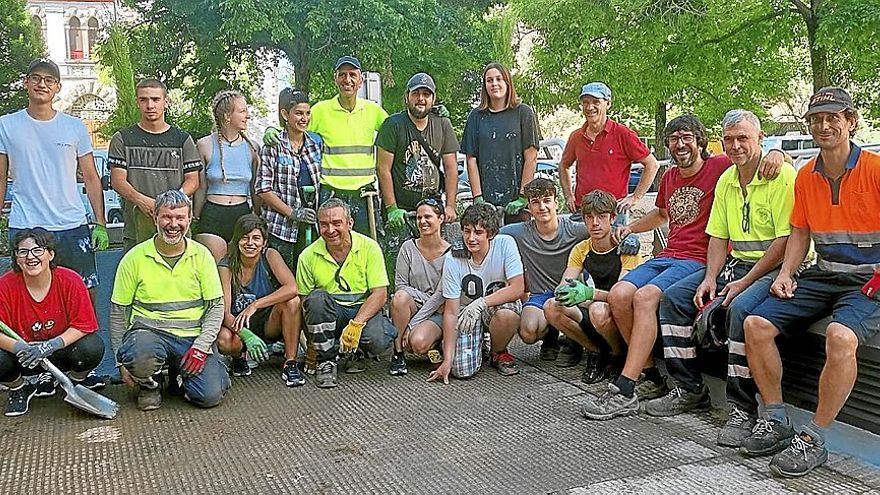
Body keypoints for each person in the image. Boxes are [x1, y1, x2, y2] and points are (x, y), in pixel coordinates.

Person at [582, 115, 784, 420]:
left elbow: (750, 157)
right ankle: (650, 377)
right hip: (670, 254)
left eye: (686, 137)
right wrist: (631, 228)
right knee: (620, 294)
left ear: (701, 141)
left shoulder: (719, 168)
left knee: (646, 297)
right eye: (674, 139)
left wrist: (777, 153)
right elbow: (662, 214)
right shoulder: (670, 177)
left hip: (699, 258)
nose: (680, 144)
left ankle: (625, 387)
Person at [741, 87, 880, 477]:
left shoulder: (875, 169)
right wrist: (785, 273)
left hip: (871, 280)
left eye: (834, 117)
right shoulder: (806, 176)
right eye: (817, 119)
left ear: (851, 123)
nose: (824, 125)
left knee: (841, 337)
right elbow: (800, 233)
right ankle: (776, 419)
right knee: (756, 324)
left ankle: (815, 437)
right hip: (825, 273)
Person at [644, 111, 797, 447]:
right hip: (737, 264)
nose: (736, 145)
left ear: (760, 139)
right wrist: (710, 277)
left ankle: (743, 409)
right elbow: (717, 236)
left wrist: (742, 282)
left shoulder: (781, 175)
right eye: (729, 139)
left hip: (777, 266)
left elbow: (785, 240)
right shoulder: (727, 179)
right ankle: (688, 388)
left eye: (743, 138)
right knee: (675, 298)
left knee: (740, 309)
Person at [110, 190, 229, 411]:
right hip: (149, 336)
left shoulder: (202, 256)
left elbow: (215, 307)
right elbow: (119, 312)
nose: (173, 224)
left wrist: (202, 348)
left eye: (180, 218)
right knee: (139, 352)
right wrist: (120, 361)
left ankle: (179, 376)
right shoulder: (134, 259)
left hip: (191, 339)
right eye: (166, 217)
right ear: (155, 218)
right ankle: (149, 386)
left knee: (210, 396)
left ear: (189, 219)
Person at [0, 58, 108, 298]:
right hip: (25, 226)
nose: (42, 84)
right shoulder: (6, 125)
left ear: (57, 87)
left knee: (83, 294)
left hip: (71, 225)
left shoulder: (75, 126)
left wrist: (100, 223)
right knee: (25, 297)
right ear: (26, 83)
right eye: (36, 78)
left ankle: (85, 337)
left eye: (49, 80)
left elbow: (91, 177)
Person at [0, 229, 104, 417]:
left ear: (51, 254)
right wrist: (19, 348)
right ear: (16, 257)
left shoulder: (70, 280)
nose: (30, 257)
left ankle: (75, 381)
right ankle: (20, 387)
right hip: (25, 357)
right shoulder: (5, 286)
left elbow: (84, 325)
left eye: (38, 250)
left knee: (92, 346)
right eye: (22, 252)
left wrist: (50, 345)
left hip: (62, 352)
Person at [544, 190, 642, 384]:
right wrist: (566, 291)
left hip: (622, 316)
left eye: (602, 217)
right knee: (552, 306)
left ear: (613, 218)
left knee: (598, 309)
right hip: (596, 309)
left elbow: (621, 296)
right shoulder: (582, 248)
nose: (595, 223)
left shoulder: (626, 249)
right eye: (589, 217)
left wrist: (588, 294)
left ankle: (618, 355)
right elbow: (563, 286)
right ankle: (595, 352)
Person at [296, 199, 396, 388]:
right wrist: (311, 343)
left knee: (379, 338)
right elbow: (304, 304)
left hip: (361, 310)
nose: (330, 230)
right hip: (331, 312)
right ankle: (326, 361)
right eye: (324, 224)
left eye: (336, 223)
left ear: (350, 223)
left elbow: (380, 294)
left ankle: (355, 352)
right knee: (316, 298)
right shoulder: (307, 256)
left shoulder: (369, 247)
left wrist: (356, 324)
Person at [427, 203, 525, 383]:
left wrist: (481, 303)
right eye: (466, 231)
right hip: (465, 312)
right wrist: (447, 361)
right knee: (461, 370)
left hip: (493, 306)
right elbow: (451, 311)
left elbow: (517, 287)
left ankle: (498, 351)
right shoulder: (453, 257)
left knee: (508, 314)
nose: (471, 238)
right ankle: (469, 347)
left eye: (478, 232)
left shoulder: (505, 243)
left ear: (491, 234)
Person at [376, 72, 458, 271]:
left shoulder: (443, 124)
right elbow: (383, 168)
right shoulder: (393, 125)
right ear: (407, 96)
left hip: (433, 208)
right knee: (400, 266)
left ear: (433, 98)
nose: (421, 99)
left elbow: (451, 167)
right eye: (416, 94)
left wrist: (450, 206)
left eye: (426, 94)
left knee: (438, 264)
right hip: (402, 211)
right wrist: (392, 208)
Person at [500, 177, 587, 362]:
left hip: (569, 294)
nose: (542, 207)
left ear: (557, 203)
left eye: (547, 201)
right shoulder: (519, 232)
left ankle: (577, 342)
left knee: (568, 308)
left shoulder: (575, 230)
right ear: (529, 208)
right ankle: (551, 337)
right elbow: (488, 233)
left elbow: (605, 230)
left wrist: (628, 238)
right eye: (536, 202)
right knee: (528, 332)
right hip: (539, 295)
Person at [109, 79, 202, 251]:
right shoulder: (123, 139)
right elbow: (117, 181)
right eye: (143, 100)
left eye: (155, 99)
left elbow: (193, 181)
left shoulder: (182, 139)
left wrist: (170, 203)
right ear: (137, 101)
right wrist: (142, 201)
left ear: (166, 102)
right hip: (138, 227)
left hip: (176, 226)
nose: (150, 105)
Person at [215, 214, 304, 386]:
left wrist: (255, 305)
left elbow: (292, 287)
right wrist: (246, 335)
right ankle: (239, 357)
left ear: (264, 242)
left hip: (268, 322)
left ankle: (290, 362)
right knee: (224, 340)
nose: (250, 243)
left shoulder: (270, 255)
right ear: (236, 241)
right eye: (244, 238)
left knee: (293, 301)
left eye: (256, 238)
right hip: (238, 324)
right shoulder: (226, 265)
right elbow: (223, 312)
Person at [307, 56, 388, 237]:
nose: (347, 80)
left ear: (360, 80)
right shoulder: (320, 110)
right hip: (331, 192)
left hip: (364, 194)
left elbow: (397, 131)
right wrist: (276, 130)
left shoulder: (372, 110)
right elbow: (296, 131)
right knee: (330, 245)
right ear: (335, 78)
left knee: (367, 246)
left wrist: (431, 117)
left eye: (352, 75)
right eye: (342, 75)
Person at [559, 82, 659, 214]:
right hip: (582, 211)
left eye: (596, 102)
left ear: (608, 104)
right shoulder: (576, 137)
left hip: (614, 212)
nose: (590, 107)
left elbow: (652, 164)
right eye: (585, 102)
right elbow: (563, 165)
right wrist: (568, 195)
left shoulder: (624, 134)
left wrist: (635, 197)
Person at [461, 62, 541, 223]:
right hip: (487, 204)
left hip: (516, 202)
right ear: (484, 86)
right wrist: (478, 198)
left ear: (507, 82)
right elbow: (471, 159)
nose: (494, 84)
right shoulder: (476, 117)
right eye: (489, 80)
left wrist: (523, 196)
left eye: (499, 79)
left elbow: (531, 157)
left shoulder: (523, 113)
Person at [257, 88, 322, 267]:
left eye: (308, 113)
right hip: (280, 228)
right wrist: (292, 213)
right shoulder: (273, 146)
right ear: (285, 114)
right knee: (282, 281)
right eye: (299, 113)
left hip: (310, 225)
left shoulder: (315, 146)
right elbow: (263, 189)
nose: (304, 119)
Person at [194, 90, 260, 261]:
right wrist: (195, 217)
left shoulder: (252, 148)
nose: (248, 116)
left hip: (242, 213)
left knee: (238, 269)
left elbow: (254, 188)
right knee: (218, 266)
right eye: (242, 111)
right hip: (213, 213)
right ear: (227, 116)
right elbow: (201, 187)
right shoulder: (205, 144)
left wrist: (258, 217)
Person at [388, 198, 450, 376]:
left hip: (438, 313)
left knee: (418, 343)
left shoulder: (452, 253)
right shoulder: (408, 248)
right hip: (417, 306)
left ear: (441, 218)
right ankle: (398, 352)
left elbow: (443, 296)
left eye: (428, 217)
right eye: (418, 217)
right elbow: (401, 287)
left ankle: (436, 342)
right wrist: (429, 301)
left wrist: (412, 325)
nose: (422, 222)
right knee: (399, 297)